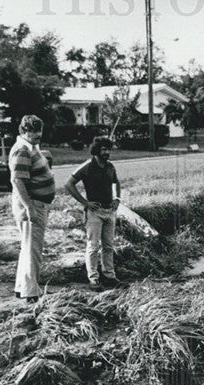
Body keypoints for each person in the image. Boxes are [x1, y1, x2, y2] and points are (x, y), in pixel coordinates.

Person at [8, 114, 55, 302]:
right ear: (24, 130)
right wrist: (29, 207)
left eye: (40, 130)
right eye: (34, 130)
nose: (38, 134)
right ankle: (31, 292)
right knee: (33, 249)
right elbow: (18, 180)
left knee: (28, 248)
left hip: (35, 203)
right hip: (32, 204)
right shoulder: (22, 150)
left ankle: (23, 287)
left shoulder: (29, 148)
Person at [64, 136, 121, 289]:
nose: (107, 152)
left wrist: (117, 198)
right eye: (103, 149)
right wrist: (85, 203)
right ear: (96, 150)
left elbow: (116, 182)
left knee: (109, 246)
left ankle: (109, 276)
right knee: (93, 246)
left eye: (108, 149)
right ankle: (93, 279)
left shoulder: (110, 167)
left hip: (110, 211)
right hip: (95, 213)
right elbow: (68, 184)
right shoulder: (87, 166)